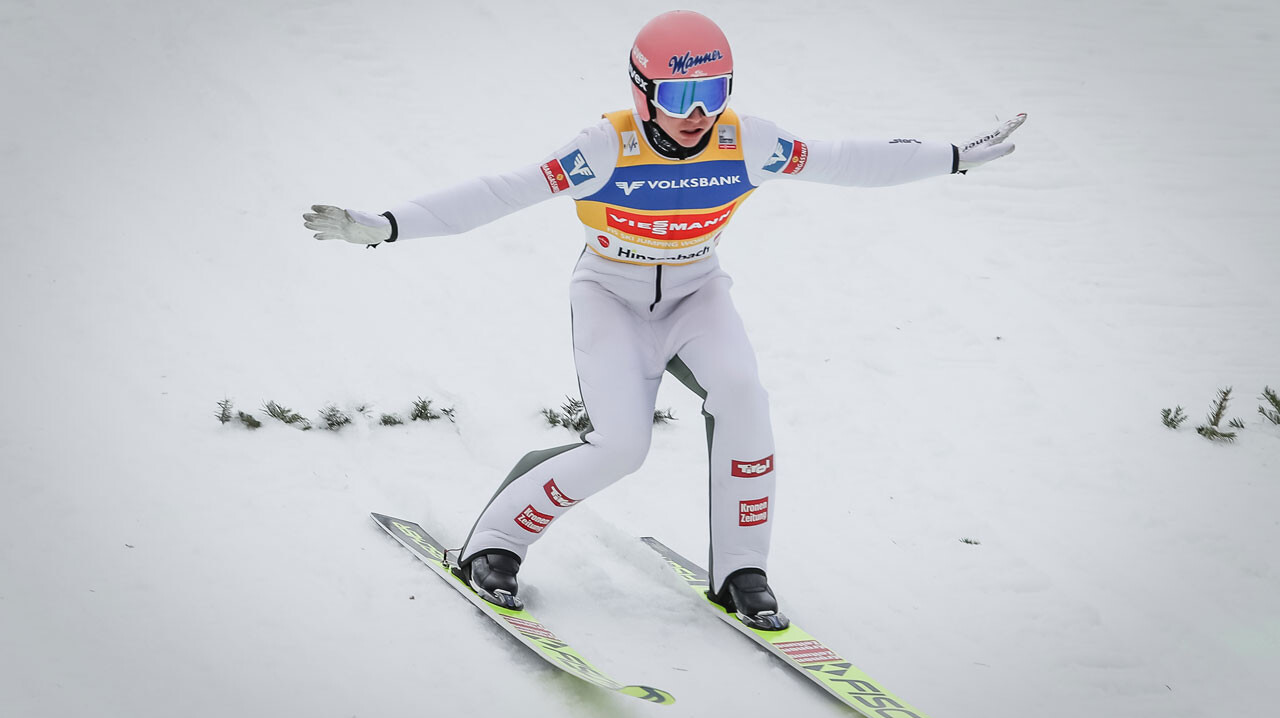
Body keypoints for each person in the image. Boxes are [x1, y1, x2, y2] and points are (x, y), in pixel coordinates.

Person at [304, 10, 1024, 631]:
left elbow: (846, 160)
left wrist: (953, 157)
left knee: (745, 399)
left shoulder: (749, 140)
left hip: (696, 295)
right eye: (679, 94)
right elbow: (499, 193)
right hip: (611, 299)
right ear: (642, 92)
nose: (697, 112)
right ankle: (495, 543)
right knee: (622, 446)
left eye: (712, 93)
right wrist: (390, 226)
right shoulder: (604, 146)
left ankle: (743, 571)